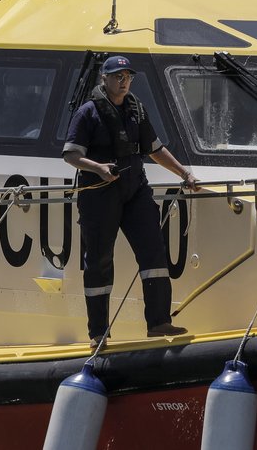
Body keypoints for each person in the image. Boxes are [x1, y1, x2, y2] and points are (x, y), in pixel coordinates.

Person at [63, 54, 201, 348]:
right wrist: (98, 167)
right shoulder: (88, 112)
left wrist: (184, 173)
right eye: (118, 77)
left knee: (154, 250)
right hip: (99, 194)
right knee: (99, 261)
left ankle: (158, 321)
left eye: (128, 77)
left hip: (135, 191)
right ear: (105, 79)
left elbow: (155, 149)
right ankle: (98, 332)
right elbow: (71, 155)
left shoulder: (136, 109)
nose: (124, 82)